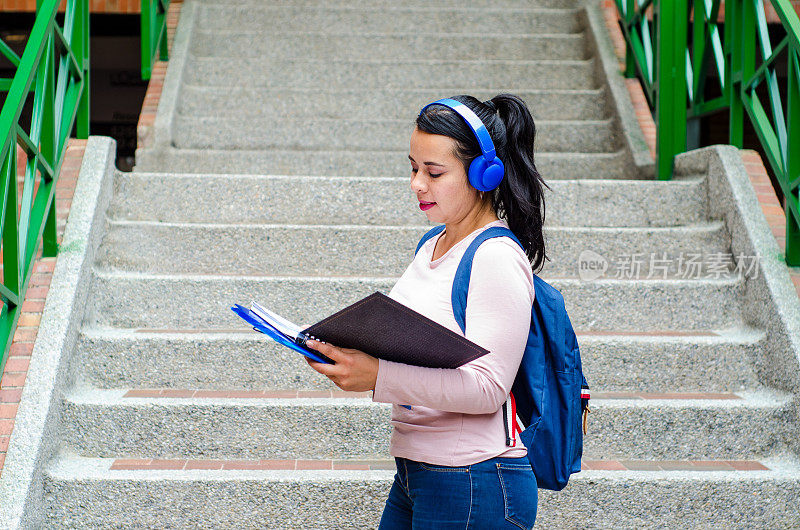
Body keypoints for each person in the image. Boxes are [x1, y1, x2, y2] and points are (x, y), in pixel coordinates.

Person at [305, 93, 550, 529]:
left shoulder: (495, 257)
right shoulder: (431, 245)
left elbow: (489, 389)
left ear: (484, 174)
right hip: (417, 471)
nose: (417, 184)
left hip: (475, 479)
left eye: (434, 172)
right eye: (413, 168)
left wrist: (378, 375)